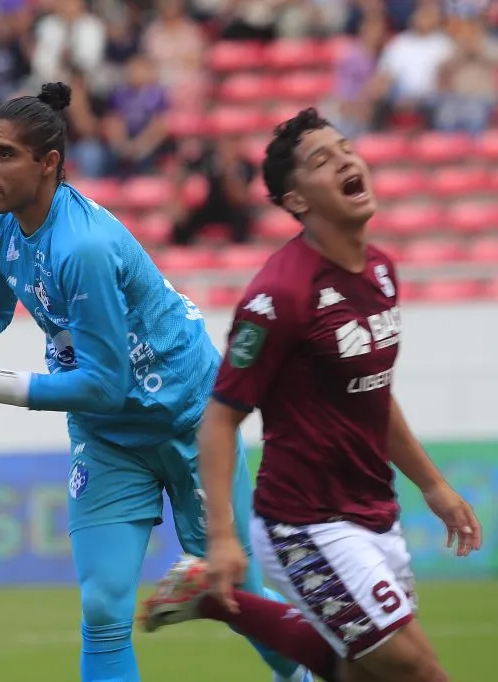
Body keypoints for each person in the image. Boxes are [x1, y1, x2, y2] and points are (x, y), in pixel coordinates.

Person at [0, 83, 311, 682]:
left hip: (190, 417)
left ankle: (304, 675)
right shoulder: (1, 226)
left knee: (238, 593)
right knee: (104, 607)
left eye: (4, 155)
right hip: (108, 435)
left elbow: (105, 382)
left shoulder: (81, 246)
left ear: (49, 164)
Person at [139, 108, 482, 682]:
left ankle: (214, 600)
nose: (347, 159)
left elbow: (373, 395)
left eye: (346, 147)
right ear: (297, 200)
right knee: (419, 670)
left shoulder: (381, 272)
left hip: (375, 509)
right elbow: (220, 421)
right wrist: (223, 538)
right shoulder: (278, 295)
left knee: (360, 673)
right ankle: (220, 591)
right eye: (322, 160)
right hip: (305, 523)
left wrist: (434, 485)